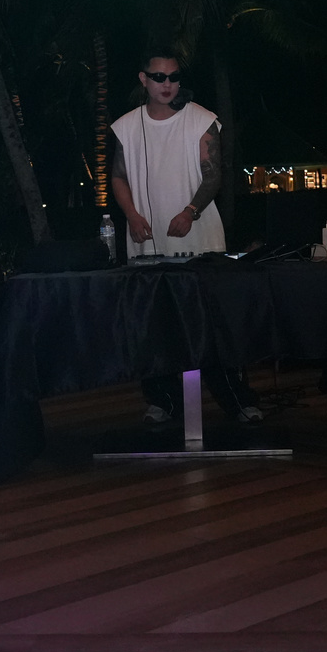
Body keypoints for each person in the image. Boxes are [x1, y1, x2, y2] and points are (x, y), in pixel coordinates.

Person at [110, 51, 262, 425]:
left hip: (199, 238)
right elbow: (119, 176)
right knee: (155, 327)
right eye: (159, 77)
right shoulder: (126, 126)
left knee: (213, 325)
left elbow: (213, 175)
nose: (167, 84)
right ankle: (163, 402)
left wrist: (190, 211)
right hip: (146, 242)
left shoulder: (201, 119)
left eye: (174, 77)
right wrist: (131, 215)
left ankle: (237, 401)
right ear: (143, 79)